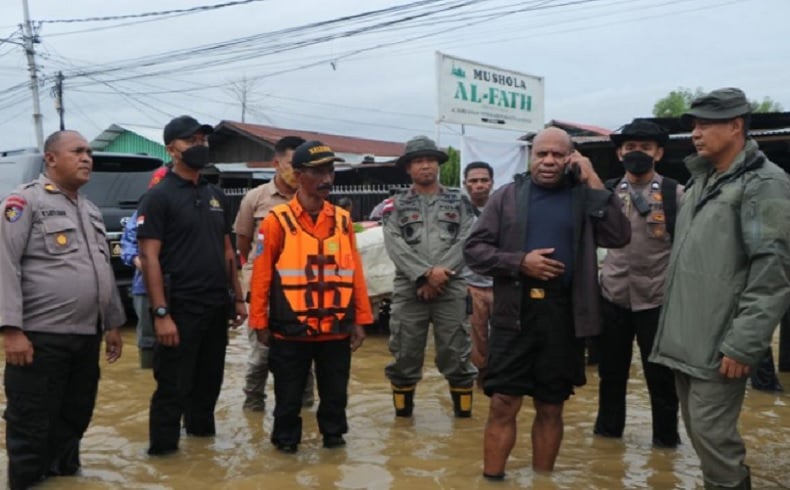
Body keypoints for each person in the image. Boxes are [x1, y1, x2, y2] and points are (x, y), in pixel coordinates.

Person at [464, 127, 630, 478]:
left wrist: (593, 178)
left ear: (571, 157)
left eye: (558, 154)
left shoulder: (584, 198)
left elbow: (619, 235)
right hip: (515, 313)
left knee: (551, 406)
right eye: (542, 154)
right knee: (503, 403)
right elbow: (474, 251)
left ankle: (543, 482)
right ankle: (492, 480)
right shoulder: (506, 197)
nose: (549, 161)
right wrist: (520, 262)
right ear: (531, 157)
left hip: (564, 315)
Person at [650, 88, 790, 490]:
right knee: (701, 437)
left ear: (736, 126)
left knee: (715, 440)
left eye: (706, 124)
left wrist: (744, 343)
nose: (696, 133)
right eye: (693, 124)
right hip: (686, 337)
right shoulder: (701, 182)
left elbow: (773, 269)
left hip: (722, 342)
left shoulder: (765, 184)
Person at [0, 130, 126, 489]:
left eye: (89, 152)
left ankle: (64, 480)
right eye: (77, 151)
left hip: (85, 338)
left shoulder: (90, 209)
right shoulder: (23, 203)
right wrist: (11, 330)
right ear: (51, 159)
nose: (87, 158)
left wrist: (113, 323)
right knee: (30, 425)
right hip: (39, 339)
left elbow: (102, 268)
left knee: (74, 419)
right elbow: (4, 265)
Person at [248, 140, 372, 453]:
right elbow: (262, 276)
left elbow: (354, 271)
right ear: (298, 175)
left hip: (335, 328)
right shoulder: (277, 222)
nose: (327, 178)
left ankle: (333, 445)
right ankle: (286, 450)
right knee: (288, 401)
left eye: (330, 170)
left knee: (336, 397)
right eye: (318, 172)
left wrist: (360, 318)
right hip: (290, 331)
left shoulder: (343, 221)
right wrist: (259, 322)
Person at [137, 115, 247, 456]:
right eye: (191, 141)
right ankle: (165, 459)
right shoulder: (159, 197)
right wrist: (161, 313)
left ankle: (201, 457)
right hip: (179, 307)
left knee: (208, 386)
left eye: (202, 140)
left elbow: (228, 250)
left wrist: (239, 299)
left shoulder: (215, 194)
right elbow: (149, 257)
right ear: (172, 150)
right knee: (173, 388)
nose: (199, 146)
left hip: (215, 306)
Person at [593, 120, 682, 448]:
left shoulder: (676, 194)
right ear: (619, 153)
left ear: (658, 153)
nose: (637, 153)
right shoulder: (605, 193)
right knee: (610, 378)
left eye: (645, 147)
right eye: (630, 147)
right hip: (613, 297)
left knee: (661, 381)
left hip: (656, 301)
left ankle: (666, 446)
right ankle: (606, 442)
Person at [382, 135, 478, 418]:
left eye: (430, 160)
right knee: (405, 353)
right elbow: (394, 242)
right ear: (409, 168)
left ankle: (463, 423)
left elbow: (468, 238)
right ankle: (403, 423)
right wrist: (423, 275)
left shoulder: (459, 199)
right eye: (418, 161)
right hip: (409, 287)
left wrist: (439, 276)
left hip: (451, 284)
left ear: (437, 164)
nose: (425, 166)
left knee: (456, 352)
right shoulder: (396, 204)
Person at [233, 136, 315, 412]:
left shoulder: (312, 199)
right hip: (263, 289)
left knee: (305, 355)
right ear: (276, 163)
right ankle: (253, 407)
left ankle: (304, 409)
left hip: (305, 290)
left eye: (303, 165)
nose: (297, 171)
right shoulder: (256, 198)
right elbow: (243, 245)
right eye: (293, 164)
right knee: (261, 355)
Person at [120, 165, 170, 369]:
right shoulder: (141, 213)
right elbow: (127, 246)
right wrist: (141, 263)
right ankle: (148, 371)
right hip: (145, 286)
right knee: (148, 337)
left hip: (181, 286)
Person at [462, 161, 495, 389]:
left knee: (506, 337)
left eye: (484, 180)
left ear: (491, 182)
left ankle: (503, 384)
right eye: (474, 181)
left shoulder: (504, 207)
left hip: (501, 283)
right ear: (465, 184)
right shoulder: (457, 212)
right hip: (470, 285)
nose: (479, 185)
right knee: (477, 340)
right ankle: (481, 386)